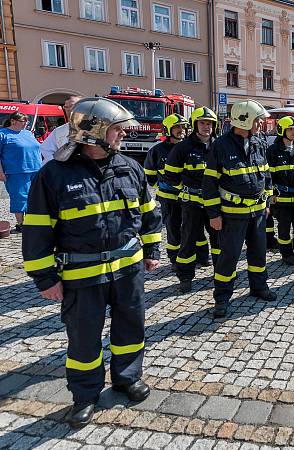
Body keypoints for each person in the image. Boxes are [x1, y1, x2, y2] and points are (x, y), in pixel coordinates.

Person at [22, 97, 161, 427]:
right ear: (95, 131)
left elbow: (148, 213)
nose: (123, 134)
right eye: (117, 129)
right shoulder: (54, 175)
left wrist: (153, 251)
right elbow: (38, 230)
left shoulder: (130, 167)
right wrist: (45, 278)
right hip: (82, 275)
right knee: (84, 339)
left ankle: (127, 377)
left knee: (131, 327)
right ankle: (85, 395)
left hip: (128, 271)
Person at [203, 100, 277, 319]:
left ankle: (259, 287)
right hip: (232, 215)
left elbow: (266, 172)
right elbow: (209, 184)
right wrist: (214, 214)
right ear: (243, 119)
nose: (261, 124)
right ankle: (222, 299)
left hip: (258, 213)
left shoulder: (259, 141)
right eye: (257, 120)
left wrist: (268, 200)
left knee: (258, 253)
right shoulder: (221, 145)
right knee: (229, 257)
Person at [162, 107, 220, 293]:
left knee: (219, 240)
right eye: (202, 123)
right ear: (195, 125)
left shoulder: (219, 146)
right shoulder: (183, 147)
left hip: (215, 205)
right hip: (192, 204)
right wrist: (186, 190)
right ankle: (185, 277)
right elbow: (170, 176)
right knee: (188, 240)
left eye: (209, 123)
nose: (206, 126)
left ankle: (221, 273)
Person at [266, 116, 294, 266]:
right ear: (282, 130)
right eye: (290, 129)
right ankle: (286, 254)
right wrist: (271, 195)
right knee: (284, 229)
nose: (293, 132)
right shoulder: (273, 151)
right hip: (282, 199)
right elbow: (268, 176)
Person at [144, 114, 188, 265]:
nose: (181, 130)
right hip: (169, 198)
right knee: (173, 229)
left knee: (190, 228)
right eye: (177, 127)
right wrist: (162, 187)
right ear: (168, 130)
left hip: (188, 197)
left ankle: (192, 256)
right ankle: (174, 258)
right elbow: (150, 175)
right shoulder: (157, 151)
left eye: (183, 127)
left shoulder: (190, 147)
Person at [0, 111, 41, 231]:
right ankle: (21, 224)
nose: (26, 123)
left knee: (35, 196)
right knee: (20, 197)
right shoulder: (3, 134)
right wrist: (0, 172)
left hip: (35, 169)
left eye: (27, 121)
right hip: (16, 171)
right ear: (13, 121)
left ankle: (32, 221)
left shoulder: (28, 133)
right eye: (24, 121)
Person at [40, 95, 81, 163]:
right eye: (66, 107)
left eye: (72, 105)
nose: (68, 109)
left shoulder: (94, 129)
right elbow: (46, 150)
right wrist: (59, 166)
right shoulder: (59, 131)